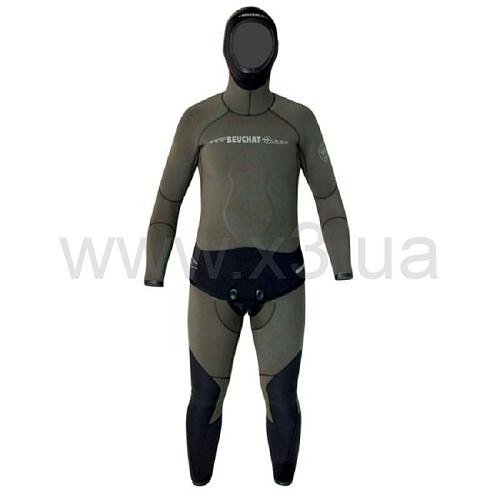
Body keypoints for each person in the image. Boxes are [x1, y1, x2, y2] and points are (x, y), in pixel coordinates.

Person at [144, 6, 353, 486]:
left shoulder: (299, 120)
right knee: (205, 398)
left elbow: (328, 196)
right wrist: (155, 268)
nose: (251, 53)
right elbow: (168, 198)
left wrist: (342, 263)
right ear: (226, 49)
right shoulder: (198, 119)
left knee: (282, 399)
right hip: (211, 284)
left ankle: (284, 484)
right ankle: (199, 485)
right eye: (243, 42)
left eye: (261, 43)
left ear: (275, 52)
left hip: (283, 285)